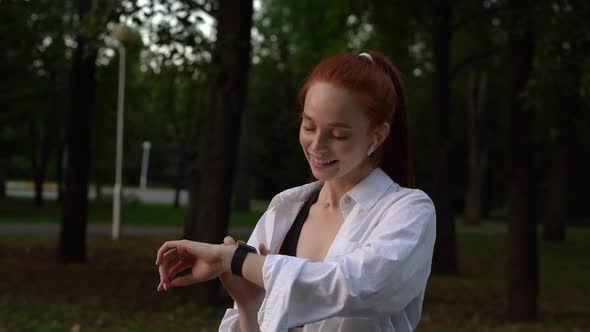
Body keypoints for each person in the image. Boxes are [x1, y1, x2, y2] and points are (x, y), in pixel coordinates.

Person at [155, 51, 436, 332]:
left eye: (338, 134)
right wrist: (248, 305)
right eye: (309, 126)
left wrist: (232, 260)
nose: (317, 145)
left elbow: (357, 286)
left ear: (377, 135)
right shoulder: (285, 208)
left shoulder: (408, 210)